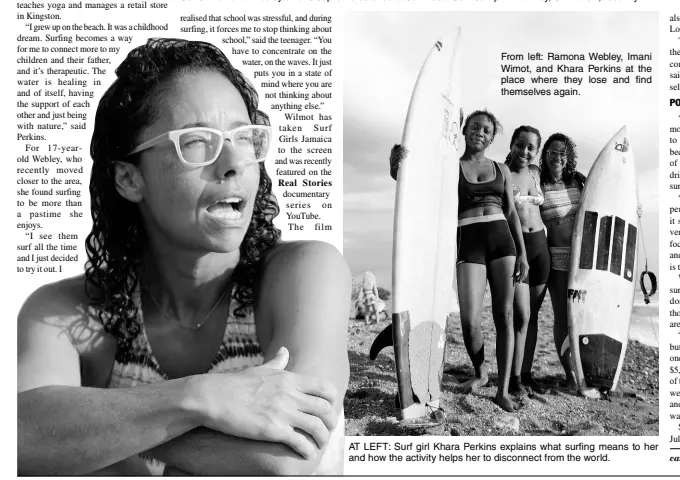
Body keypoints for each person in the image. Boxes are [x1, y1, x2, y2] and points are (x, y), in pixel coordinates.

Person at [17, 38, 350, 476]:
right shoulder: (66, 314)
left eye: (244, 137)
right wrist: (201, 398)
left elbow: (289, 457)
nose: (233, 162)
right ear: (129, 178)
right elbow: (19, 434)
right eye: (197, 142)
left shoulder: (304, 272)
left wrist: (98, 432)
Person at [390, 110, 528, 412]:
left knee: (504, 315)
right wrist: (396, 164)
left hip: (502, 242)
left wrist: (523, 255)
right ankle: (480, 372)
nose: (480, 132)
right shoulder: (450, 167)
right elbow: (414, 186)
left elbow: (512, 213)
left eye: (487, 130)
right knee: (468, 319)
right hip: (469, 243)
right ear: (463, 131)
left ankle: (502, 390)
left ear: (492, 138)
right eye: (475, 127)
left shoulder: (501, 168)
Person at [504, 126, 550, 396]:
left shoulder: (536, 173)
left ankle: (526, 373)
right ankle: (513, 377)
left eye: (531, 147)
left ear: (536, 151)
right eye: (520, 145)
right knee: (520, 317)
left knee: (532, 319)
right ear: (512, 144)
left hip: (540, 248)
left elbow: (572, 181)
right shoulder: (501, 172)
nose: (525, 151)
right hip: (517, 249)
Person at [538, 132, 586, 392]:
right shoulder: (539, 183)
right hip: (556, 257)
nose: (558, 157)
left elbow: (605, 202)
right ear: (545, 154)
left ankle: (586, 370)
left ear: (569, 158)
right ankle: (569, 374)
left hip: (583, 259)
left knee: (583, 316)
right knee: (562, 318)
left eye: (563, 153)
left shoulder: (579, 181)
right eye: (553, 152)